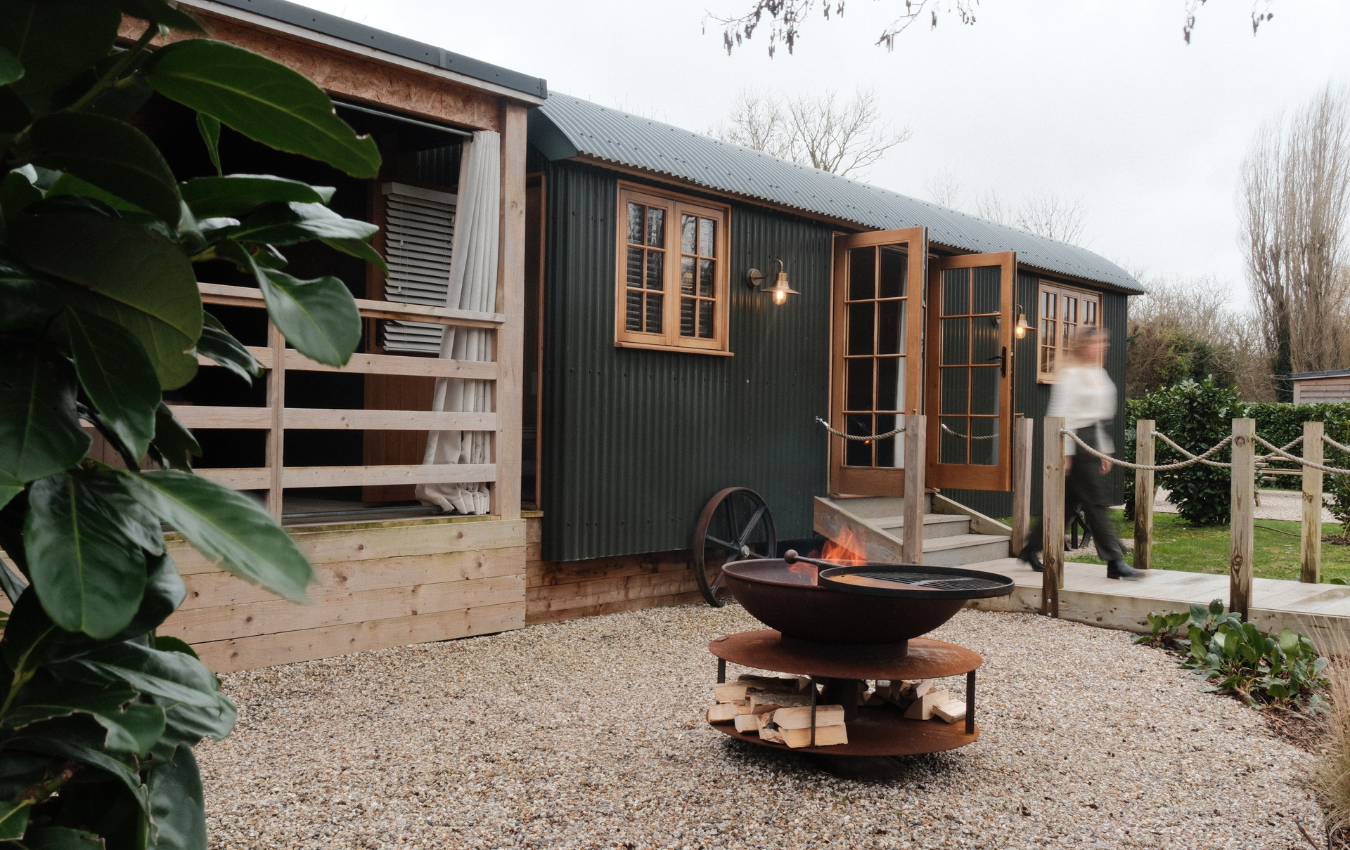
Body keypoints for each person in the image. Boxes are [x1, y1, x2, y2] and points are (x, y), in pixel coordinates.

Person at [1018, 327, 1143, 581]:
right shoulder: (1071, 375)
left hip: (1092, 440)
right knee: (1095, 502)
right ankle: (1114, 561)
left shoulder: (1099, 373)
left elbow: (1099, 417)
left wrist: (1105, 449)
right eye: (1097, 342)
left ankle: (1030, 549)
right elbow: (1061, 413)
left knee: (1065, 506)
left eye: (1104, 342)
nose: (1103, 346)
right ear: (1084, 345)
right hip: (1074, 442)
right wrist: (1066, 453)